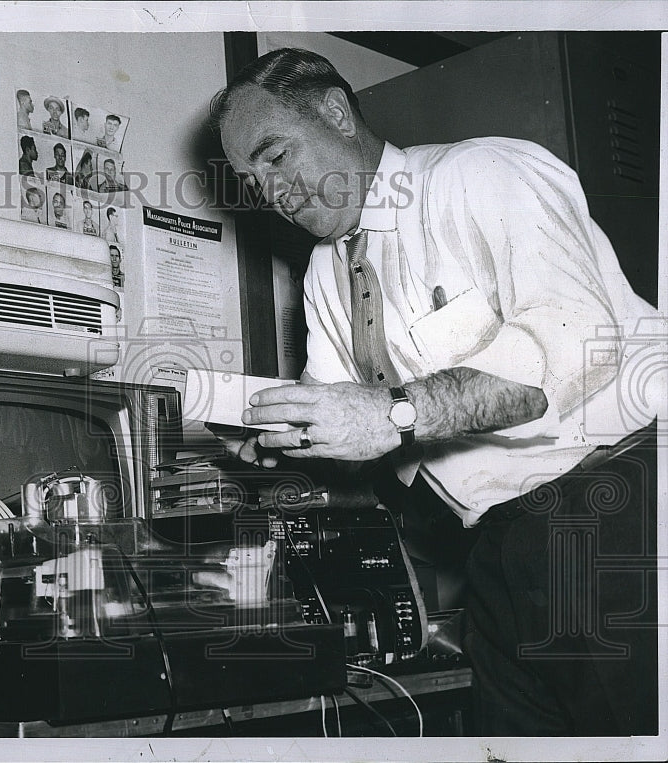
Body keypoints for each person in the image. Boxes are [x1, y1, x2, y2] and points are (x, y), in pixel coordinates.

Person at [209, 47, 661, 736]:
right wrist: (274, 434)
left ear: (335, 110)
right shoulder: (325, 275)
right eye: (250, 178)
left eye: (274, 156)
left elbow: (574, 344)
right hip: (498, 545)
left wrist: (396, 412)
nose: (269, 190)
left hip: (614, 505)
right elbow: (343, 421)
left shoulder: (480, 175)